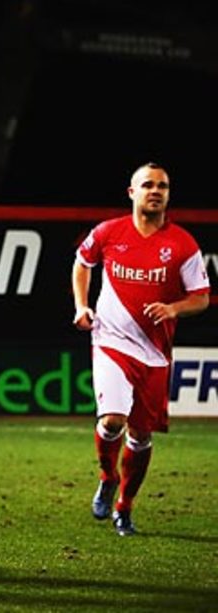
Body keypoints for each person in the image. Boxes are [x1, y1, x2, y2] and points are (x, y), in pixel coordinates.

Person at [72, 162, 210, 536]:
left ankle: (125, 507)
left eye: (162, 186)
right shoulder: (109, 232)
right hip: (110, 341)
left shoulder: (182, 243)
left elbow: (201, 298)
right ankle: (106, 477)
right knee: (112, 420)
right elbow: (82, 264)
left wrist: (173, 308)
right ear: (132, 192)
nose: (155, 190)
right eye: (147, 184)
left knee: (141, 435)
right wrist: (81, 306)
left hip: (155, 352)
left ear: (168, 194)